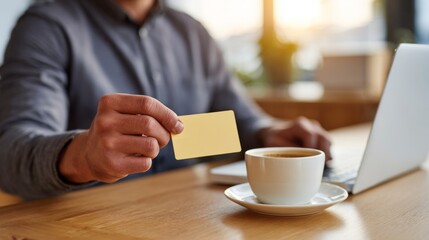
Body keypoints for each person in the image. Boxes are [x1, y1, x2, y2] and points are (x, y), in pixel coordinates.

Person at [0, 0, 332, 199]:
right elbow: (9, 152)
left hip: (191, 215)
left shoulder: (191, 32)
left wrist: (269, 133)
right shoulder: (47, 27)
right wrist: (83, 156)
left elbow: (239, 121)